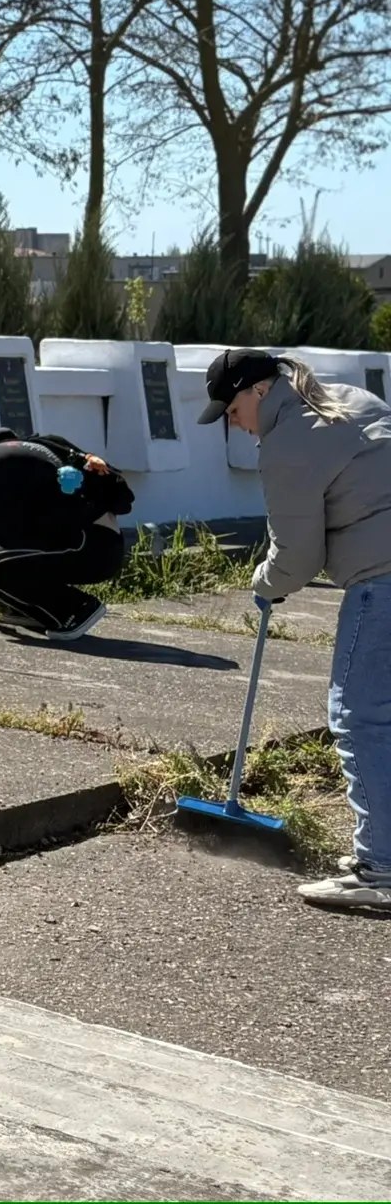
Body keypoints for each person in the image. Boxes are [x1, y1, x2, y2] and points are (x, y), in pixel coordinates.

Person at [202, 349, 391, 913]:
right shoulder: (349, 399)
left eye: (232, 410)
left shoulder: (288, 440)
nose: (235, 424)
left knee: (360, 717)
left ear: (259, 390)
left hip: (382, 578)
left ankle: (382, 868)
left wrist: (265, 582)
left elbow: (297, 556)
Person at [0, 419, 131, 642]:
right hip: (102, 543)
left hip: (90, 548)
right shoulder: (15, 449)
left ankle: (76, 610)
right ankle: (34, 613)